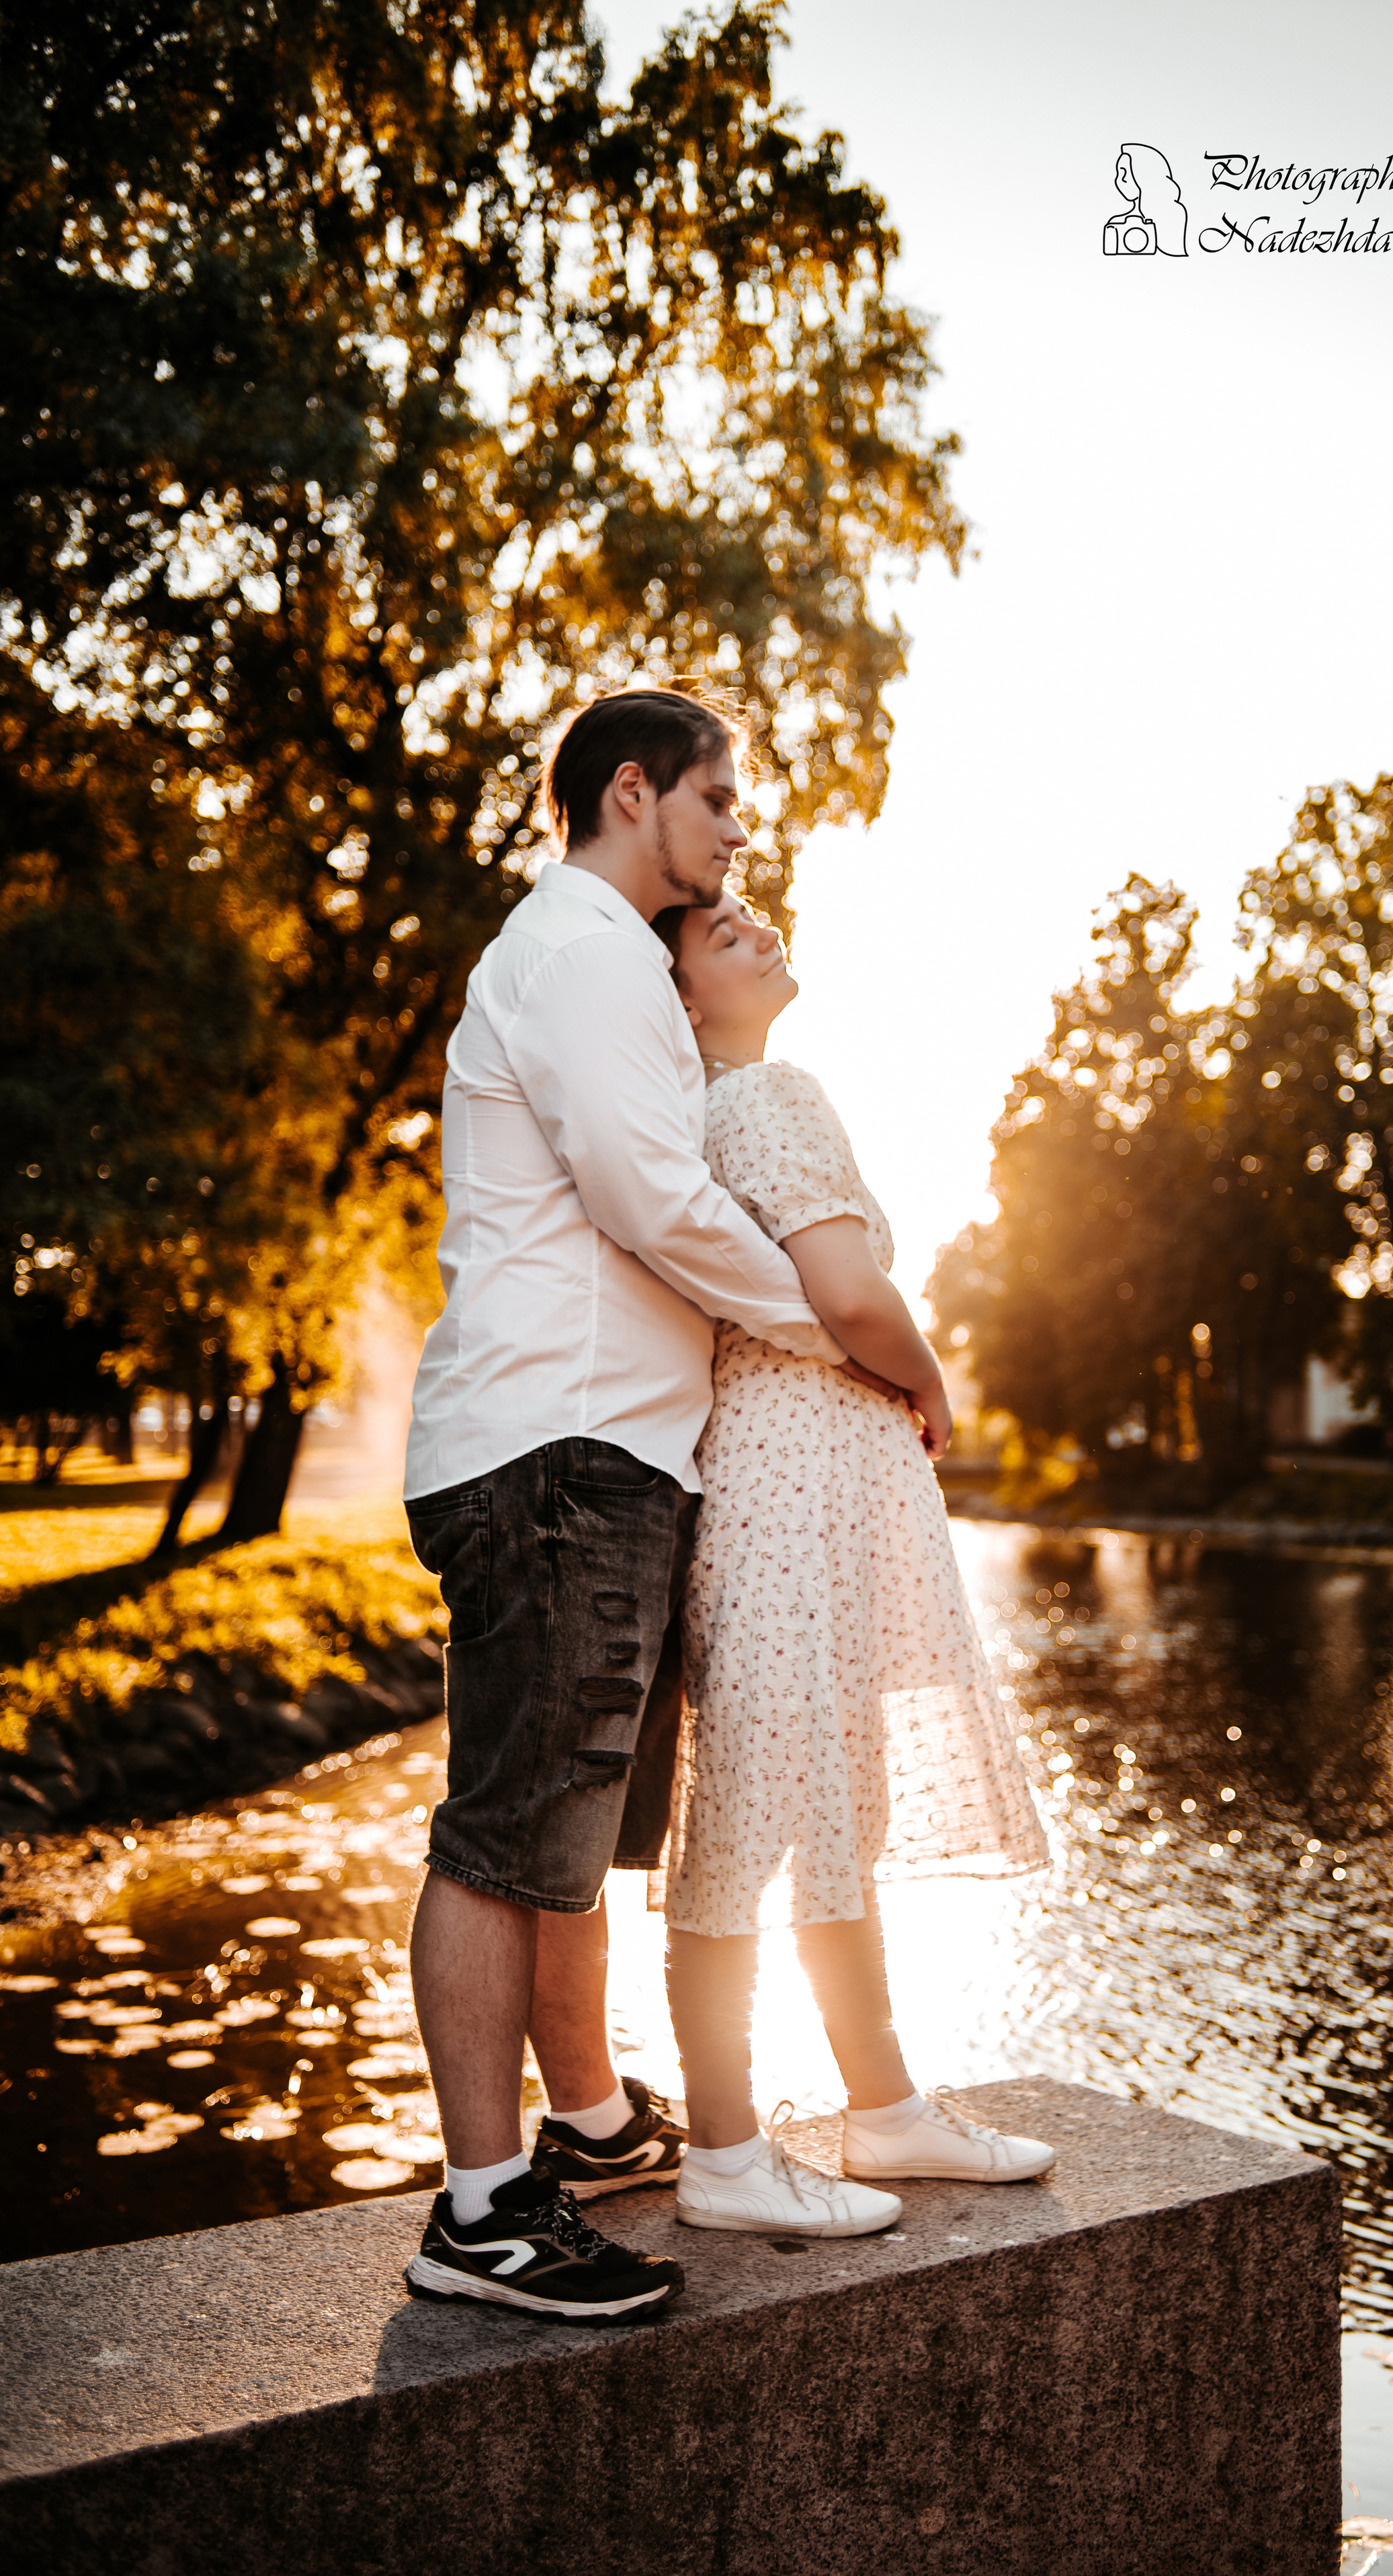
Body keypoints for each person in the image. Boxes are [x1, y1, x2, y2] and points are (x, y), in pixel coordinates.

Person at [400, 688, 855, 2319]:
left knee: (572, 1835)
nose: (739, 831)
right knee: (509, 1836)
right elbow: (651, 1194)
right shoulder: (583, 947)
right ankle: (477, 2214)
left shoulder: (606, 961)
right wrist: (833, 1326)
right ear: (631, 790)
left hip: (603, 1455)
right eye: (719, 801)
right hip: (554, 1451)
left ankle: (582, 2127)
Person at [655, 890, 1055, 2239]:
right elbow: (847, 1295)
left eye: (756, 912)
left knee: (824, 1806)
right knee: (755, 1822)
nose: (757, 924)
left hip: (790, 1488)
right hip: (788, 1496)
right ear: (679, 989)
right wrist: (932, 1382)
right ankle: (722, 2147)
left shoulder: (705, 1115)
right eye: (721, 930)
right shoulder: (768, 1099)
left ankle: (880, 2105)